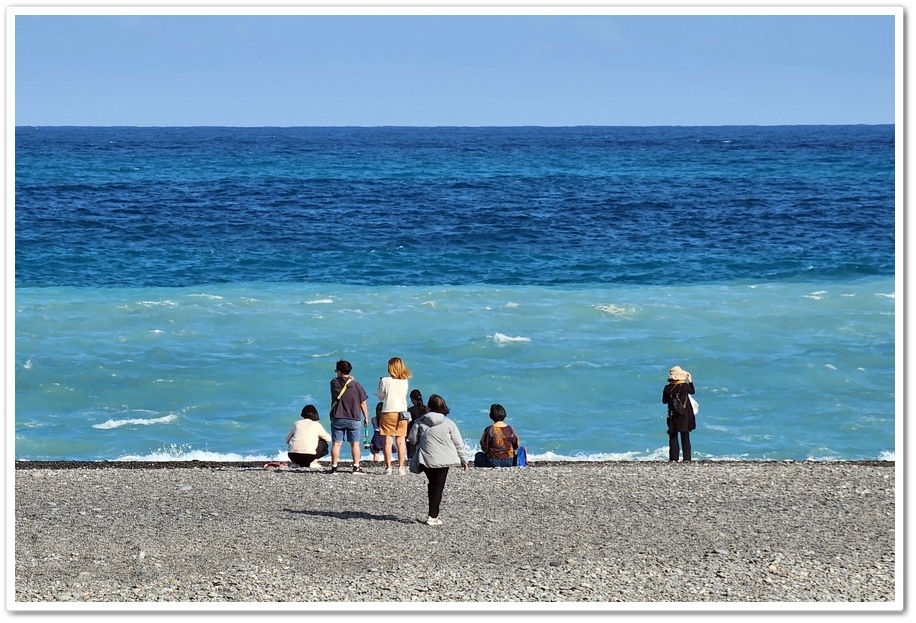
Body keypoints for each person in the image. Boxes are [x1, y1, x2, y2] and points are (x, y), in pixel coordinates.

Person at [407, 394, 468, 526]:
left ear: (429, 408)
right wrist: (464, 460)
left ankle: (432, 515)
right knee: (437, 487)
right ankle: (433, 517)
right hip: (444, 460)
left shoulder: (420, 422)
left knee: (433, 485)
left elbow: (412, 440)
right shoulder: (449, 423)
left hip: (425, 460)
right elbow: (458, 443)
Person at [329, 359, 370, 473]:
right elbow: (363, 402)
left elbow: (338, 382)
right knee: (355, 444)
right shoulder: (356, 386)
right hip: (354, 418)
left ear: (339, 371)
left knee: (336, 443)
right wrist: (366, 417)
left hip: (338, 417)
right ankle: (356, 466)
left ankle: (334, 467)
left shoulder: (334, 383)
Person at [376, 356, 411, 475]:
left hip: (388, 412)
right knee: (401, 441)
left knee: (388, 441)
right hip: (402, 413)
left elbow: (381, 396)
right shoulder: (405, 381)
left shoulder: (385, 380)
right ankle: (401, 468)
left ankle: (388, 467)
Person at [662, 365, 697, 462]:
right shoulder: (685, 386)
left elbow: (664, 401)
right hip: (685, 414)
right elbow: (692, 391)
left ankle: (674, 458)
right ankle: (687, 459)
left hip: (673, 414)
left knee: (673, 435)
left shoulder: (667, 388)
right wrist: (690, 380)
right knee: (685, 436)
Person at [285, 404, 332, 469]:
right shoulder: (316, 425)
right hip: (309, 457)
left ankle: (295, 463)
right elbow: (329, 439)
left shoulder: (297, 423)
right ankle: (313, 462)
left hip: (293, 456)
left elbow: (287, 441)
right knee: (323, 442)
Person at [473, 403, 520, 468]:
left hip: (493, 461)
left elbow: (484, 448)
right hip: (509, 461)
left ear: (491, 416)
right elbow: (516, 445)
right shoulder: (510, 429)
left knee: (478, 455)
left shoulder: (489, 430)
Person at [405, 389, 428, 459]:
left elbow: (407, 422)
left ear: (412, 399)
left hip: (412, 436)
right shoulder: (426, 409)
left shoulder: (410, 410)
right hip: (424, 435)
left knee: (411, 457)